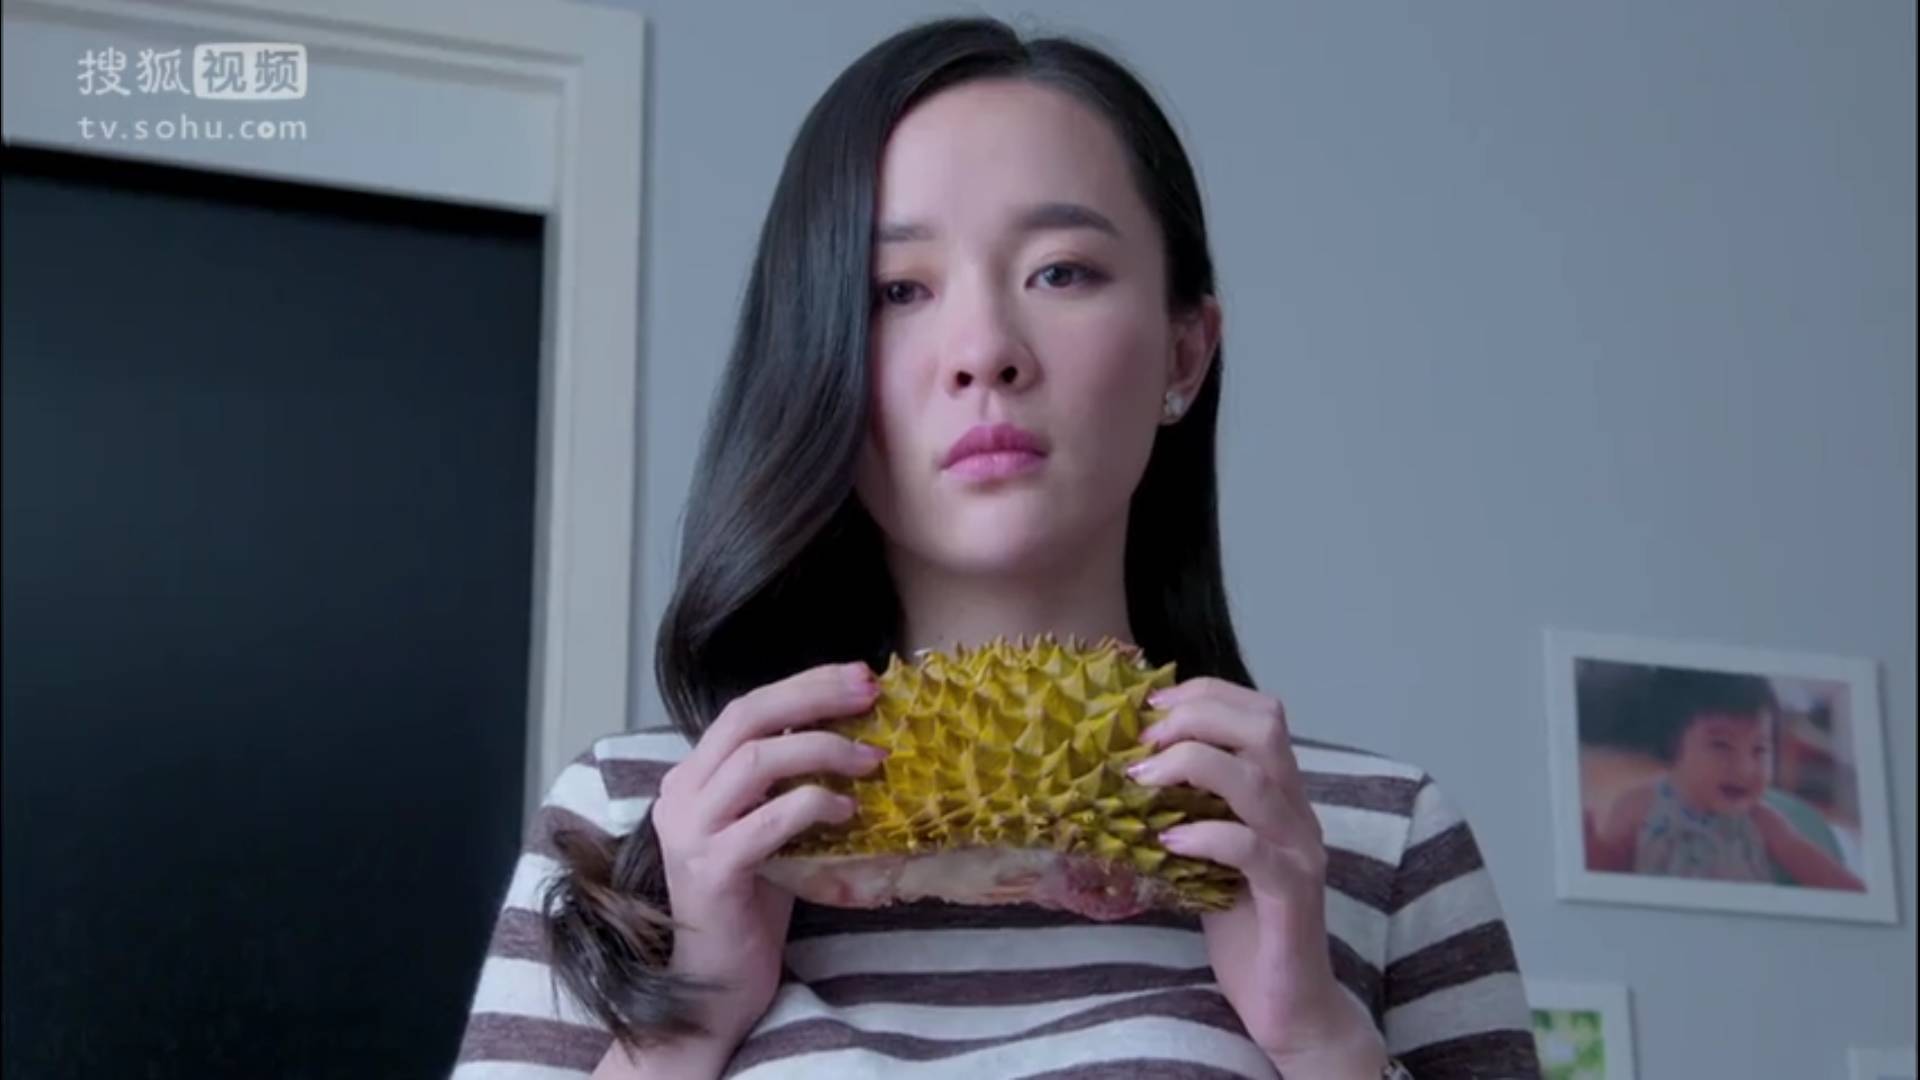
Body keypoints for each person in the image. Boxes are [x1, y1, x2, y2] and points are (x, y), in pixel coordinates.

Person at [453, 17, 1541, 1079]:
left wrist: (1318, 1040)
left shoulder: (1378, 838)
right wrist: (688, 1025)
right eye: (897, 290)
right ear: (816, 358)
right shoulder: (645, 816)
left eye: (1061, 271)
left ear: (1184, 354)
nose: (983, 351)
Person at [1583, 669, 1865, 891]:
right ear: (1672, 743)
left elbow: (1826, 876)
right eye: (1721, 746)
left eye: (1759, 750)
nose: (1745, 769)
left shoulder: (1763, 822)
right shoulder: (1638, 807)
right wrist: (1593, 851)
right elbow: (1610, 876)